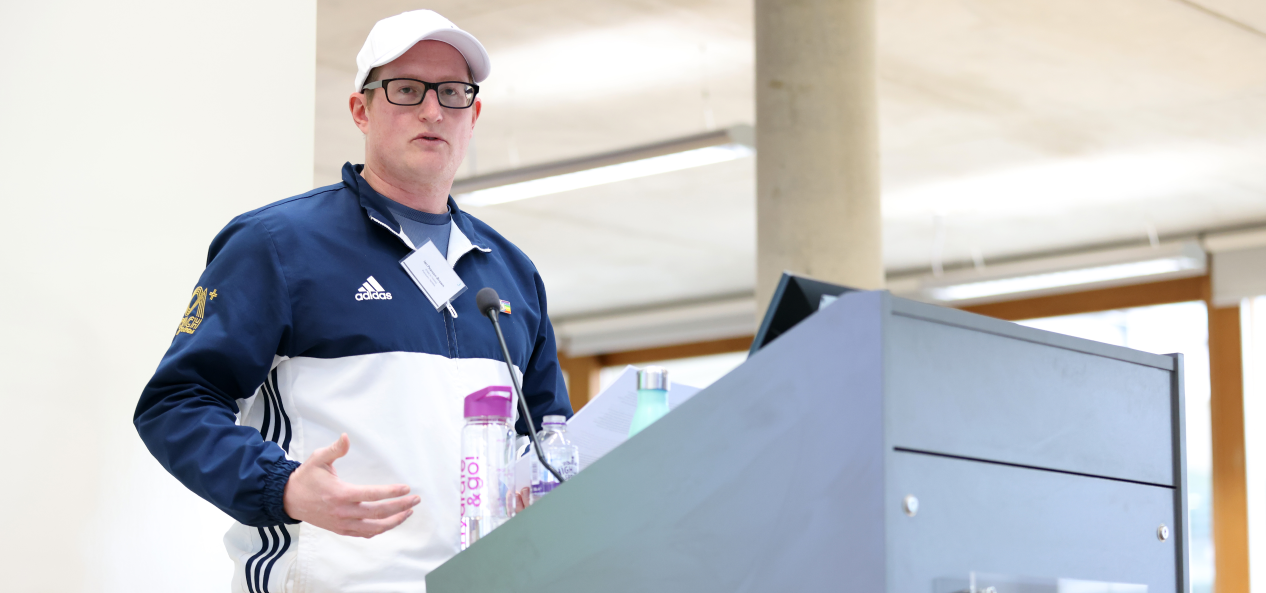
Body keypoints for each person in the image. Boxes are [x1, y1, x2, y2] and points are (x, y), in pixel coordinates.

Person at [133, 10, 571, 592]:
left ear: (475, 114)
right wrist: (282, 486)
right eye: (407, 89)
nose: (433, 110)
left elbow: (548, 437)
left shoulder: (512, 274)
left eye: (454, 93)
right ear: (361, 110)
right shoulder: (277, 246)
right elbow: (176, 404)